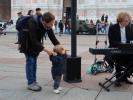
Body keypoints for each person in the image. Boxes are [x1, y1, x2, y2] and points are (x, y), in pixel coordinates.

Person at [19, 12, 60, 91]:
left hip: (36, 45)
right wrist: (46, 50)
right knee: (30, 61)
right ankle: (31, 83)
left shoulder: (47, 25)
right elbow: (33, 40)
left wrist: (59, 46)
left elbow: (52, 37)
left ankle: (33, 81)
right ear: (44, 22)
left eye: (53, 24)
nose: (52, 26)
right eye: (51, 24)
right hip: (27, 44)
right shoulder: (32, 22)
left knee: (34, 62)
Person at [106, 12, 133, 86]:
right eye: (126, 21)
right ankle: (118, 77)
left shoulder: (129, 28)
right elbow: (111, 42)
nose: (127, 22)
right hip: (116, 49)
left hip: (126, 51)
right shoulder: (112, 28)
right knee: (118, 59)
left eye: (128, 21)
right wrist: (122, 44)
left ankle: (124, 76)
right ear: (120, 20)